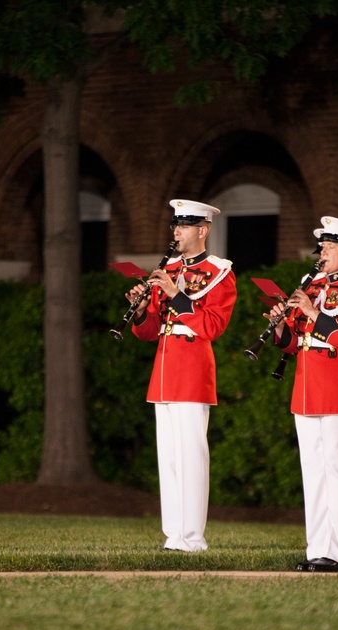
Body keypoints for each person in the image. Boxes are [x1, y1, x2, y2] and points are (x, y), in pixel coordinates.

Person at [267, 216, 338, 573]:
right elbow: (296, 344)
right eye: (323, 247)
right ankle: (318, 549)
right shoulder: (311, 284)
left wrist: (313, 311)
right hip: (309, 386)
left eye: (330, 247)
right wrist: (282, 325)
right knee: (313, 472)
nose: (323, 253)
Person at [126, 199, 236, 551]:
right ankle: (174, 535)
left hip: (192, 369)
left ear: (202, 230)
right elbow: (150, 331)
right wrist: (143, 311)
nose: (176, 231)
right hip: (165, 369)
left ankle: (193, 537)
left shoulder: (220, 271)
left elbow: (213, 326)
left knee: (191, 456)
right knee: (170, 459)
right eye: (175, 225)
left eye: (184, 226)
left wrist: (177, 295)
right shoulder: (169, 267)